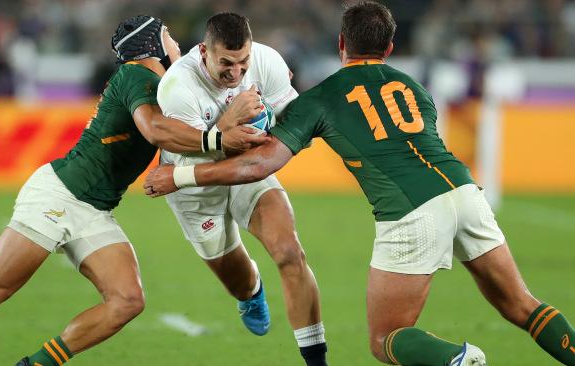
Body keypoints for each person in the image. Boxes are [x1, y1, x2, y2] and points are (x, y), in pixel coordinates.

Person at [144, 3, 575, 366]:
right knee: (524, 306)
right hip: (464, 192)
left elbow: (258, 165)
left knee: (385, 338)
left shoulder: (324, 96)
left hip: (410, 211)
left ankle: (459, 360)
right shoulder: (413, 87)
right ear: (389, 47)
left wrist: (179, 174)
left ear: (341, 44)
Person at [0, 15, 267, 366]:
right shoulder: (139, 74)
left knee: (127, 300)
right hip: (62, 194)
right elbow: (155, 130)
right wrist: (221, 137)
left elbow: (192, 119)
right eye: (168, 36)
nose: (175, 45)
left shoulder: (164, 83)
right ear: (153, 43)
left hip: (94, 207)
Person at [154, 12, 328, 366]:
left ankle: (316, 362)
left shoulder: (267, 61)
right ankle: (251, 293)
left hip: (249, 170)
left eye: (243, 61)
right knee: (239, 282)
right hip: (193, 185)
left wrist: (279, 125)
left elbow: (294, 129)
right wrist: (228, 122)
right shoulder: (177, 87)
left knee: (289, 252)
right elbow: (188, 166)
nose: (236, 72)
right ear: (204, 51)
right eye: (226, 64)